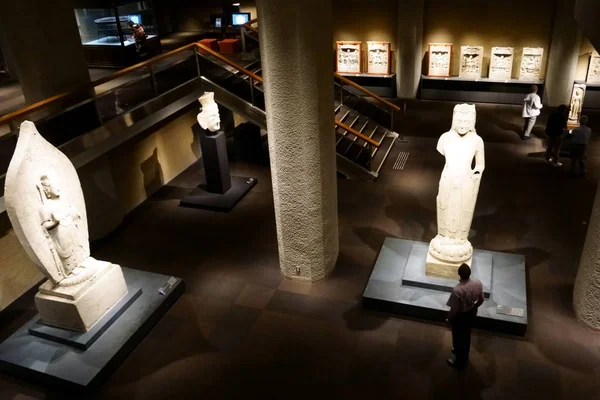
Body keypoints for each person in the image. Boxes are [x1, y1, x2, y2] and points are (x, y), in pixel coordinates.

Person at [446, 264, 484, 369]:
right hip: (470, 313)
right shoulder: (477, 283)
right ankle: (465, 354)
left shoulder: (457, 290)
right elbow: (481, 299)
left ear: (459, 274)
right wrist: (475, 306)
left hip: (460, 316)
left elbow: (454, 310)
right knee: (467, 335)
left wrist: (449, 321)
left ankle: (459, 362)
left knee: (458, 338)